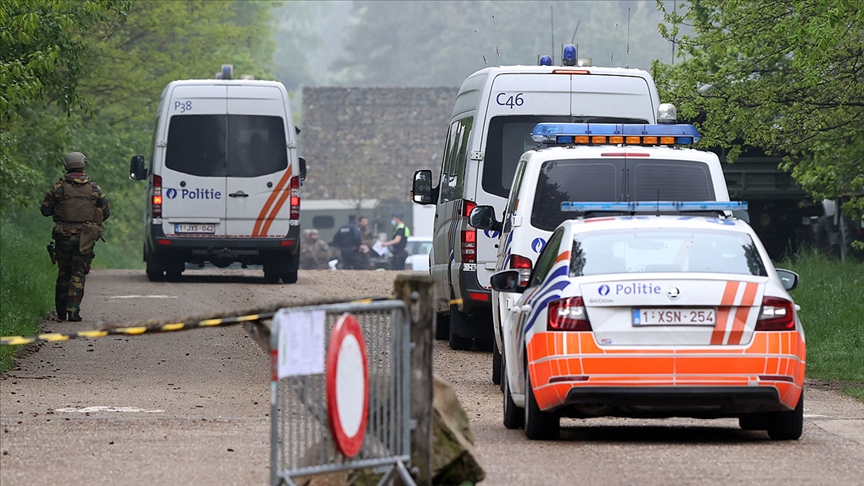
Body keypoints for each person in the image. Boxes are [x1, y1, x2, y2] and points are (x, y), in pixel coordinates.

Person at [41, 152, 110, 322]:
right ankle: (73, 311)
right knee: (78, 271)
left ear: (67, 166)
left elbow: (45, 210)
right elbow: (106, 211)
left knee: (64, 271)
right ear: (83, 165)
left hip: (63, 235)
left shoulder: (58, 187)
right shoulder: (94, 189)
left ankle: (61, 312)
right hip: (85, 237)